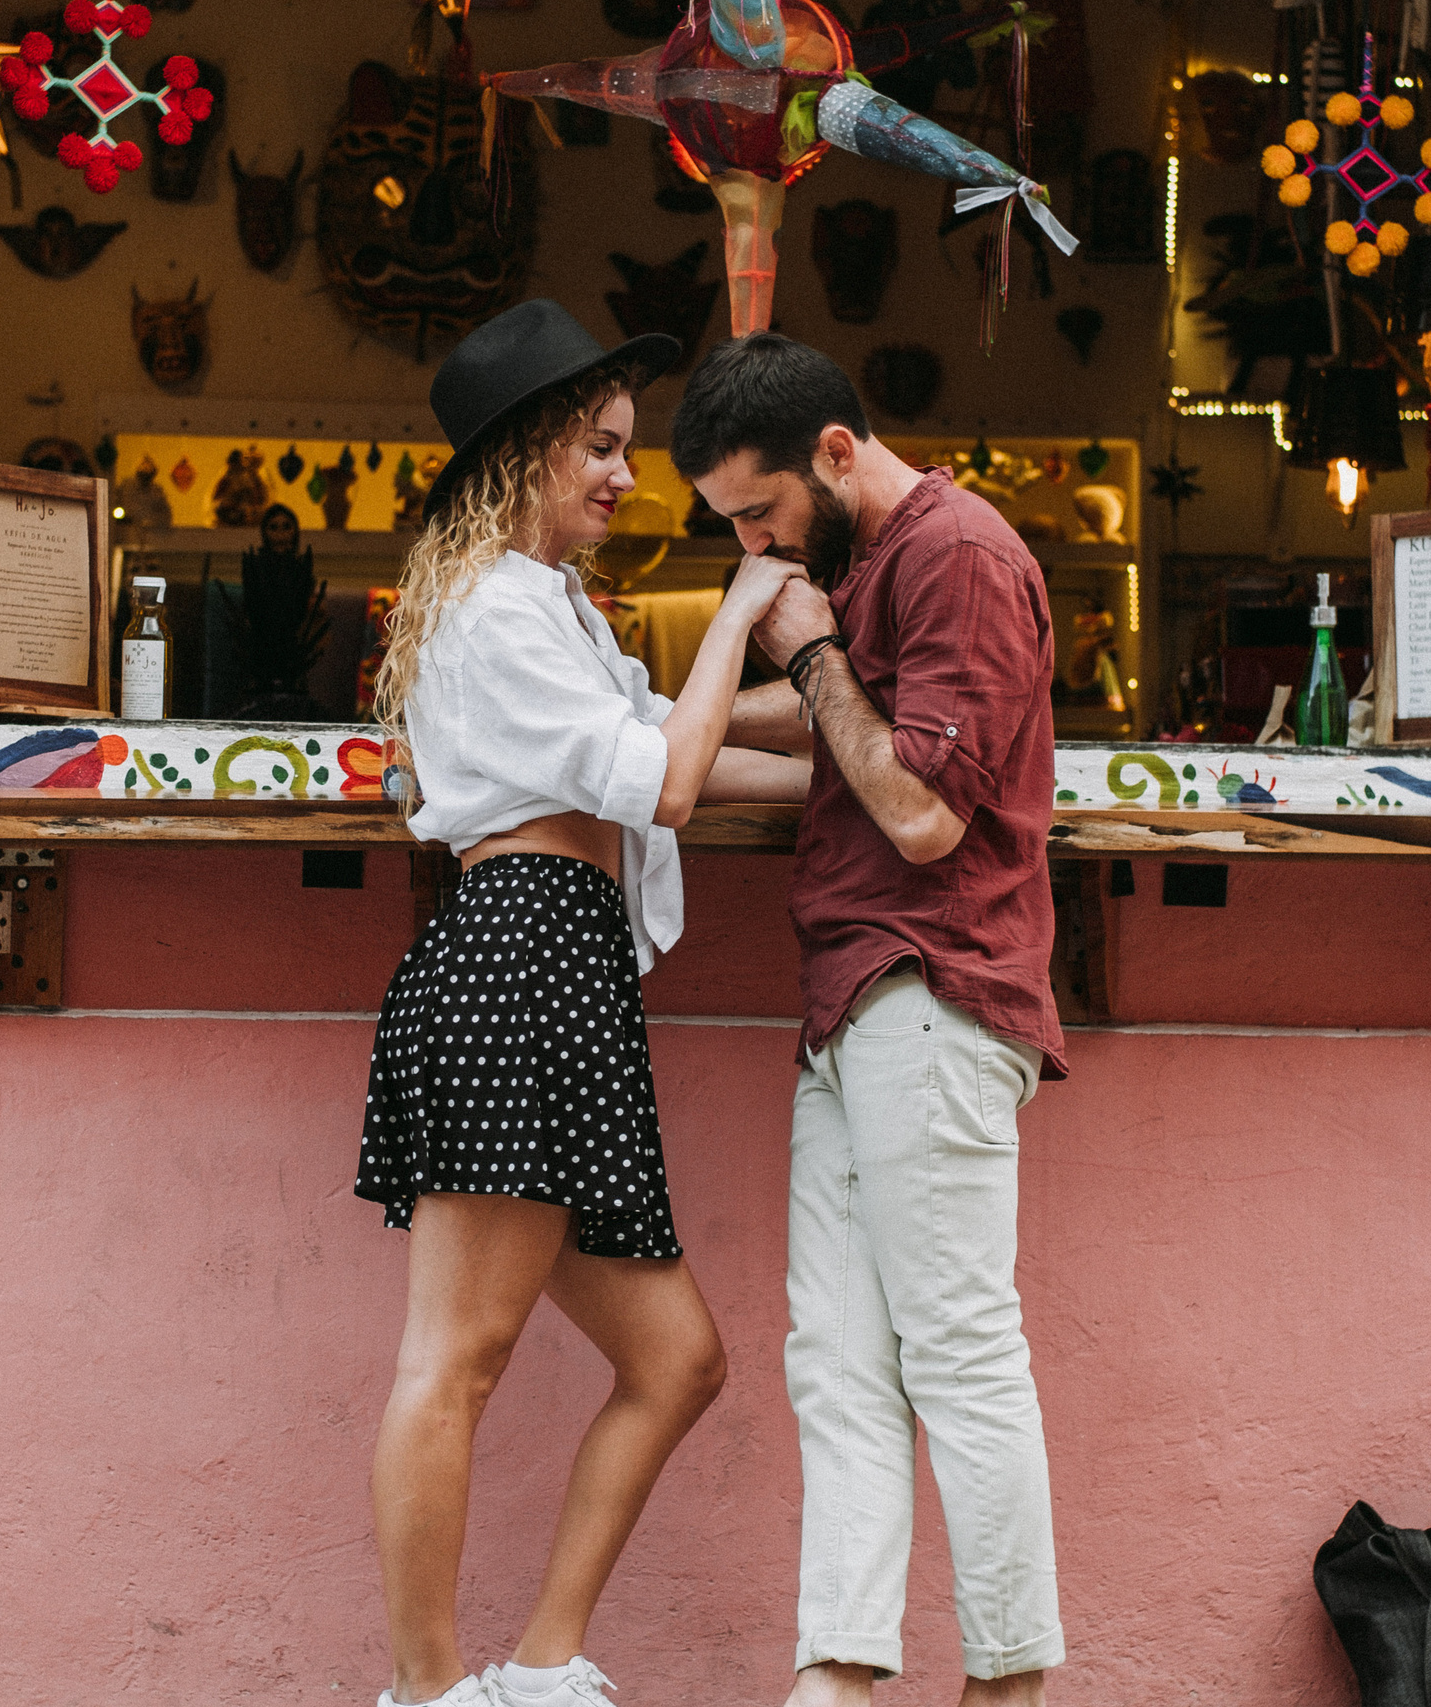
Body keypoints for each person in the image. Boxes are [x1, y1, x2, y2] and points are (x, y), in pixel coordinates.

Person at [358, 299, 811, 1707]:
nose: (627, 474)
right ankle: (431, 1696)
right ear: (524, 459)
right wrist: (744, 604)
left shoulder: (543, 604)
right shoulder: (497, 606)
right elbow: (668, 777)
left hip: (561, 971)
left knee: (676, 1359)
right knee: (456, 1358)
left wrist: (865, 762)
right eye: (601, 449)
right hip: (515, 963)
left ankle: (541, 1674)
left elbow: (677, 742)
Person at [670, 332, 1068, 1707]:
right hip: (853, 1006)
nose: (755, 547)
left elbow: (916, 807)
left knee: (956, 1349)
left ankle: (1008, 1682)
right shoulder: (876, 568)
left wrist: (813, 645)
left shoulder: (956, 555)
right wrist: (663, 742)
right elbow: (835, 734)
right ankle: (837, 1674)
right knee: (836, 1366)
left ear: (835, 454)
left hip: (932, 990)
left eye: (761, 514)